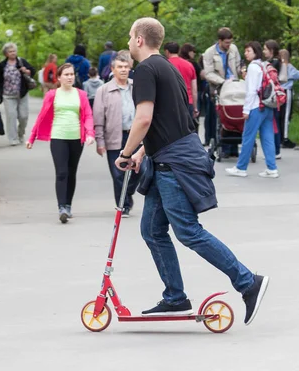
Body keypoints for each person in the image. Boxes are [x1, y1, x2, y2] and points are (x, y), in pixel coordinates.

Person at [117, 18, 268, 325]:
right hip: (168, 159)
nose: (130, 40)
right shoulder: (170, 67)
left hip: (174, 164)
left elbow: (144, 119)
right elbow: (171, 121)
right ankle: (175, 297)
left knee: (187, 231)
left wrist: (125, 152)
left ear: (140, 40)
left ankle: (247, 282)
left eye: (132, 36)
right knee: (152, 230)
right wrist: (144, 151)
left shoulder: (145, 70)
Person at [26, 63, 95, 223]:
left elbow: (88, 116)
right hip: (58, 136)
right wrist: (31, 138)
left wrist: (90, 134)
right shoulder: (52, 94)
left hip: (77, 138)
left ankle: (68, 205)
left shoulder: (81, 95)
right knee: (62, 172)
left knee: (72, 172)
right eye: (66, 75)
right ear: (59, 78)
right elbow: (42, 117)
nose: (70, 77)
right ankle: (62, 207)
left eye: (71, 74)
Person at [93, 52, 140, 217]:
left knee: (138, 170)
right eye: (120, 67)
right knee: (118, 174)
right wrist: (100, 141)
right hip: (114, 136)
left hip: (135, 136)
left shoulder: (137, 86)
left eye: (126, 67)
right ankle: (124, 205)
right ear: (113, 69)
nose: (123, 70)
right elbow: (98, 118)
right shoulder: (104, 90)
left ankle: (129, 191)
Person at [226, 42, 279, 178]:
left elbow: (251, 91)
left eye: (248, 51)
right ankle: (272, 168)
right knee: (267, 137)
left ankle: (241, 167)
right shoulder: (263, 65)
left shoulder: (253, 67)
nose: (246, 53)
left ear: (255, 52)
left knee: (248, 137)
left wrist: (246, 109)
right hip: (267, 106)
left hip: (256, 106)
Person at [203, 28, 241, 158]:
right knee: (222, 117)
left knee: (235, 113)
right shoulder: (209, 53)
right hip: (219, 88)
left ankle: (234, 147)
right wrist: (223, 81)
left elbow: (237, 66)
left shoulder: (233, 49)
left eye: (230, 42)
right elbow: (208, 73)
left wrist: (242, 74)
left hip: (234, 88)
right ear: (219, 41)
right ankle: (224, 146)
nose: (228, 45)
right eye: (226, 43)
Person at [0, 43, 36, 146]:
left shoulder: (21, 62)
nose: (13, 53)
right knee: (11, 116)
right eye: (10, 51)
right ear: (6, 54)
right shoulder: (2, 65)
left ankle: (21, 134)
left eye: (14, 51)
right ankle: (13, 138)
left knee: (23, 116)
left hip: (22, 94)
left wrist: (26, 70)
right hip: (8, 95)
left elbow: (32, 70)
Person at [279, 49, 299, 149]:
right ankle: (285, 138)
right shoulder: (288, 67)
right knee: (286, 115)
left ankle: (279, 137)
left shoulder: (277, 66)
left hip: (278, 92)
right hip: (286, 91)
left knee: (279, 115)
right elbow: (298, 75)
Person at [164, 42, 198, 120]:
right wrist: (195, 107)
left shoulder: (164, 65)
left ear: (166, 51)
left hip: (170, 103)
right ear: (178, 51)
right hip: (187, 101)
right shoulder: (189, 65)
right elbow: (194, 89)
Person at [263, 40, 284, 159]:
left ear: (271, 50)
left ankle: (276, 149)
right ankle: (275, 149)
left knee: (273, 122)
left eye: (265, 49)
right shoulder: (274, 62)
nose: (264, 51)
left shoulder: (273, 63)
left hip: (273, 96)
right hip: (275, 96)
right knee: (273, 122)